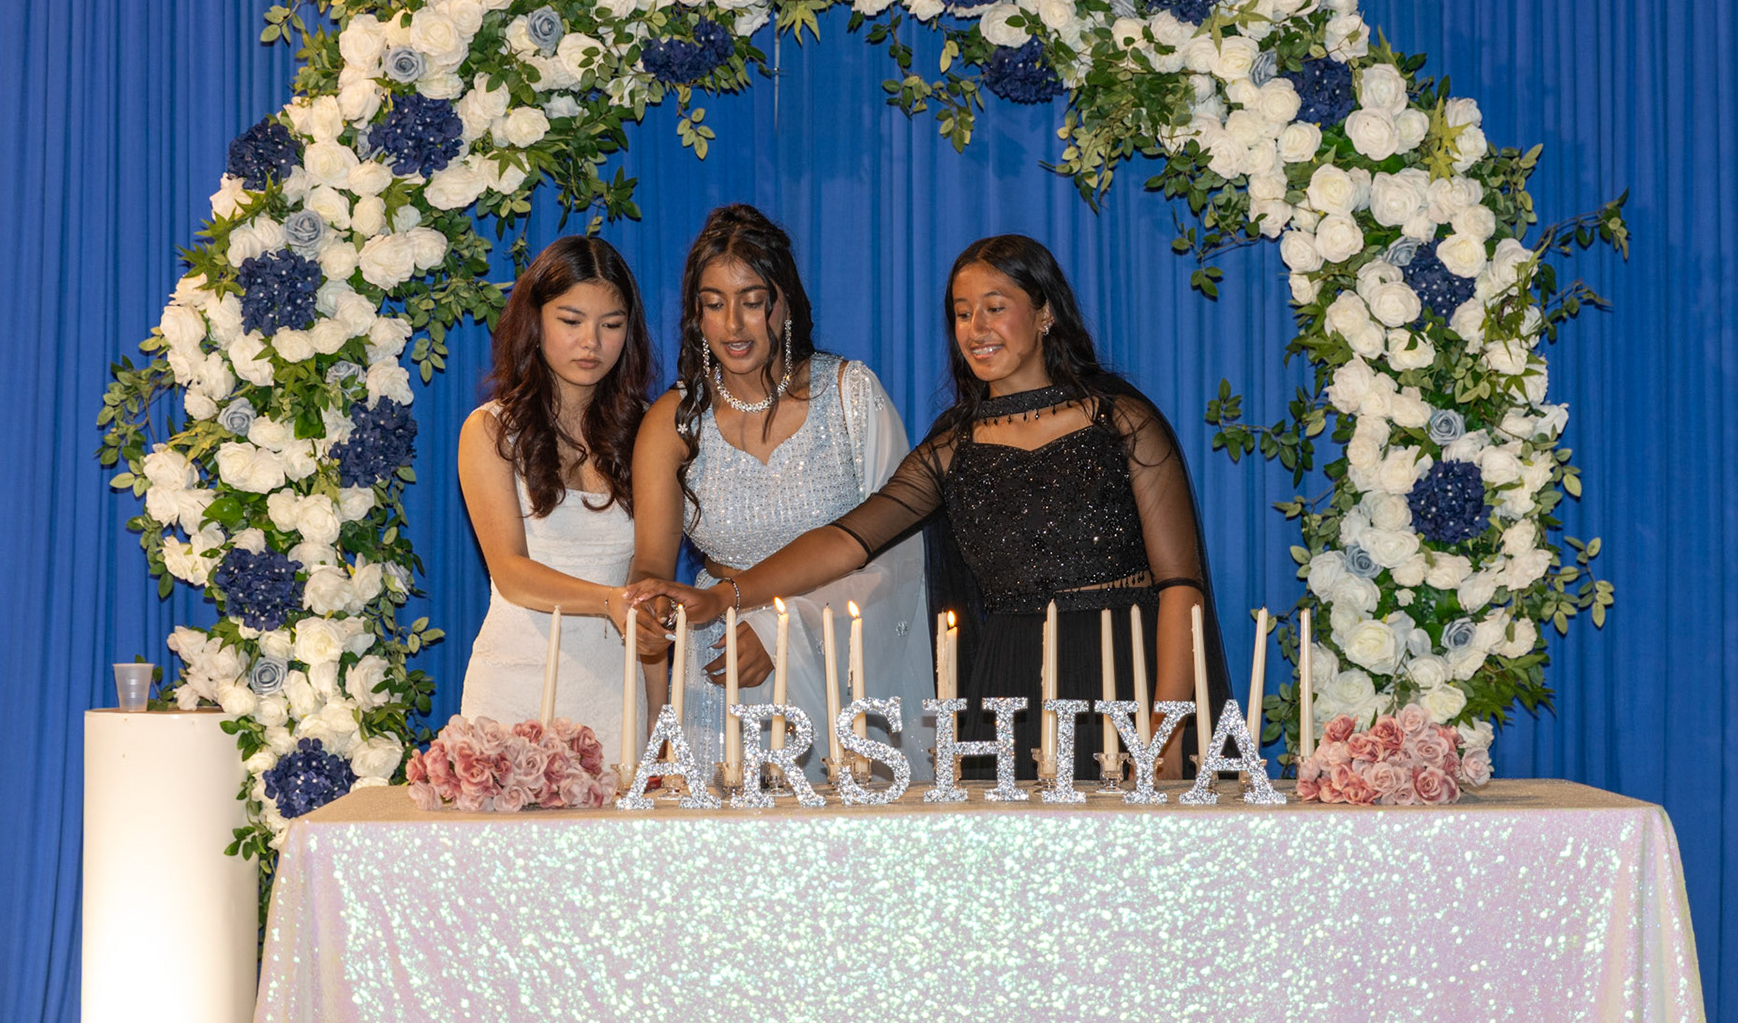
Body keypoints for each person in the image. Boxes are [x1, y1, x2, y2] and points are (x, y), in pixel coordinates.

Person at [629, 234, 1231, 777]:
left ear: (1045, 312)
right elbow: (847, 540)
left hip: (1124, 666)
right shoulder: (953, 445)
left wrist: (1168, 726)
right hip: (1010, 684)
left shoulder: (1121, 422)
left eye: (995, 307)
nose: (977, 328)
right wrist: (726, 597)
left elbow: (1181, 584)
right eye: (962, 314)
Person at [629, 204, 935, 772]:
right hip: (720, 658)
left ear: (784, 303)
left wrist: (780, 629)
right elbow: (650, 562)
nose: (733, 325)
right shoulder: (673, 420)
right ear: (695, 316)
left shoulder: (850, 395)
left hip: (838, 660)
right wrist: (651, 613)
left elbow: (896, 556)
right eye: (713, 304)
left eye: (751, 301)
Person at [456, 236, 668, 748]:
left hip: (616, 694)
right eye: (571, 321)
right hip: (514, 691)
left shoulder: (650, 430)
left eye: (611, 325)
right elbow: (511, 574)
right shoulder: (490, 430)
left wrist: (662, 721)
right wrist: (608, 601)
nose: (591, 342)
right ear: (535, 321)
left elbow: (650, 590)